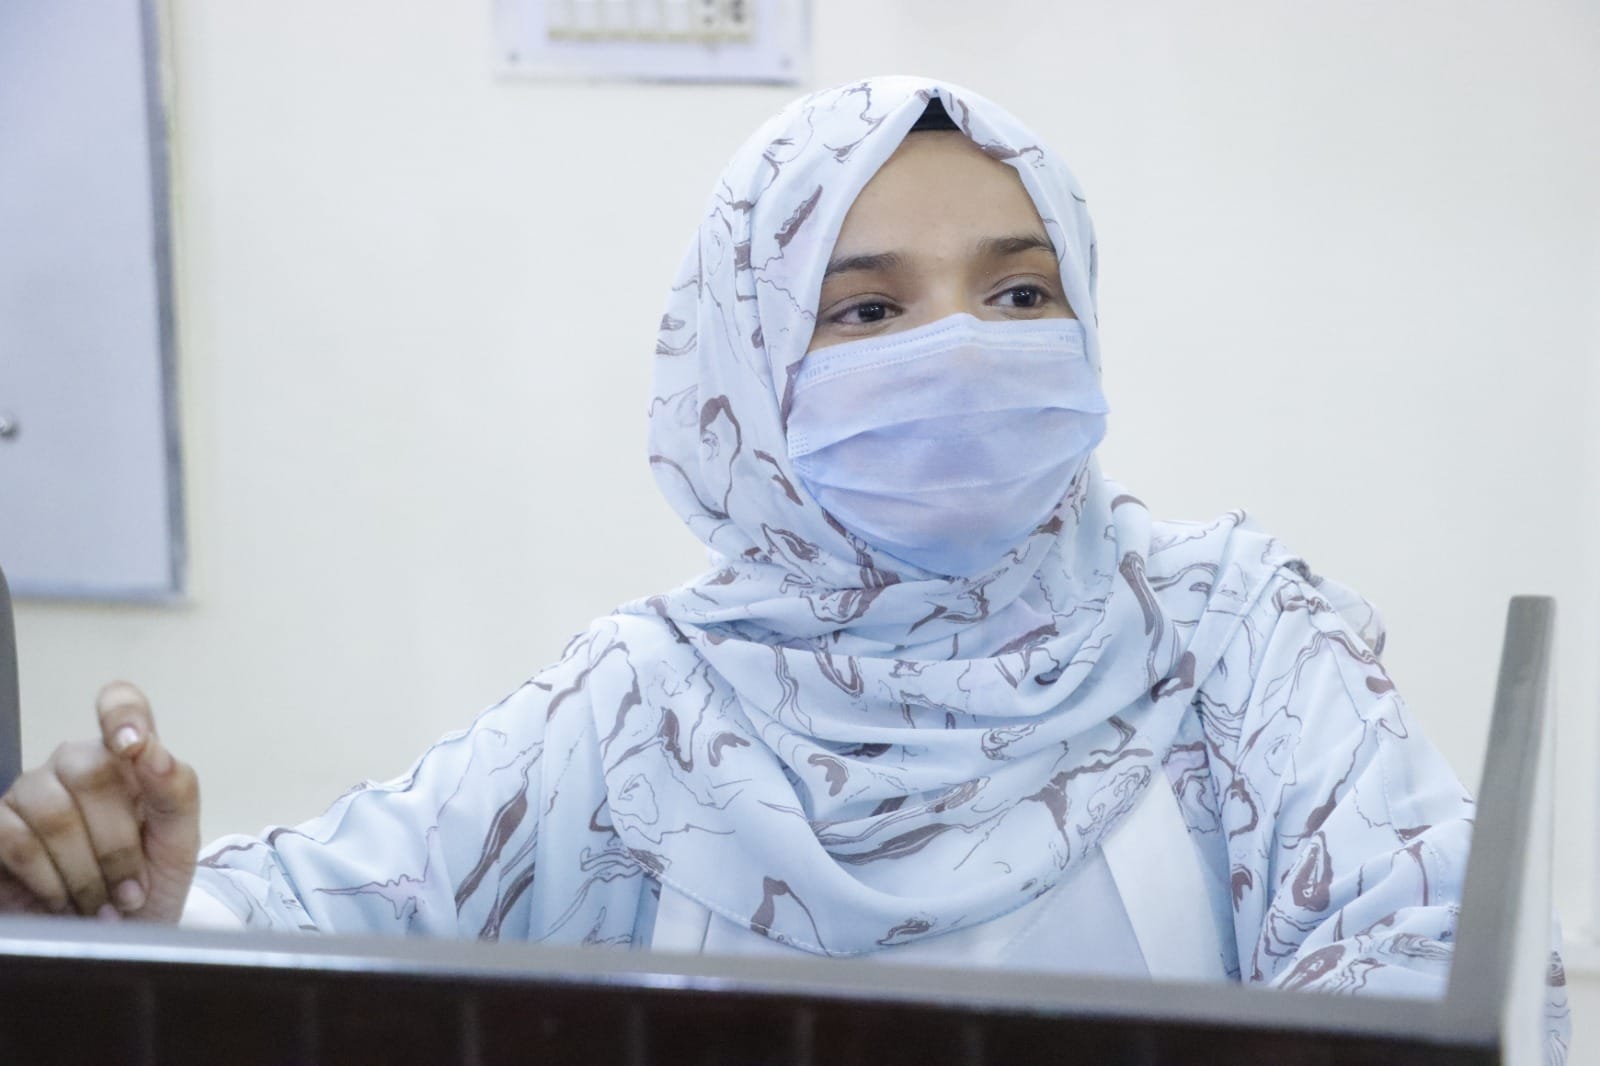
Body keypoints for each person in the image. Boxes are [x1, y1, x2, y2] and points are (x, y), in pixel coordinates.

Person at [0, 76, 1570, 1052]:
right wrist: (134, 909)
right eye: (869, 311)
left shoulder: (1228, 630)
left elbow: (1421, 953)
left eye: (1021, 294)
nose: (964, 347)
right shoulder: (647, 709)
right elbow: (338, 914)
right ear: (747, 385)